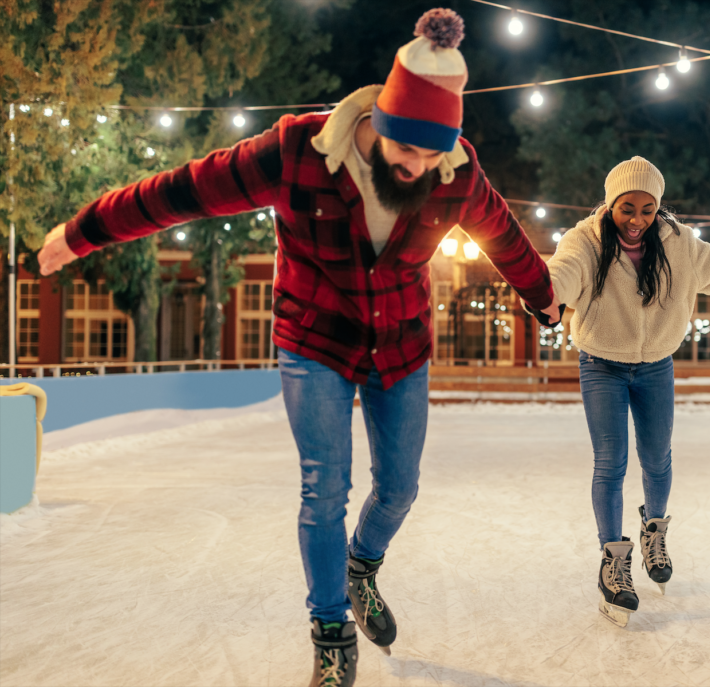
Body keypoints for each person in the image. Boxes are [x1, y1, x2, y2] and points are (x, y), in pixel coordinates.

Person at [37, 9, 561, 686]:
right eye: (407, 149)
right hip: (313, 340)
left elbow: (505, 237)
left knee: (400, 487)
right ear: (381, 122)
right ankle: (332, 631)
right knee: (325, 488)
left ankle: (361, 566)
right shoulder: (293, 153)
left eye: (433, 155)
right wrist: (82, 232)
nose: (418, 166)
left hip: (400, 343)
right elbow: (182, 191)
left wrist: (541, 293)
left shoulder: (456, 173)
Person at [535, 156, 710, 627]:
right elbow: (563, 272)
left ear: (658, 208)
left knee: (657, 456)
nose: (637, 220)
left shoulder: (679, 245)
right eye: (627, 207)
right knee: (610, 461)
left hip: (655, 367)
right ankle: (613, 562)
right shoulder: (584, 240)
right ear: (611, 205)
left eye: (647, 209)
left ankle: (654, 531)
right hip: (601, 365)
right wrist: (548, 294)